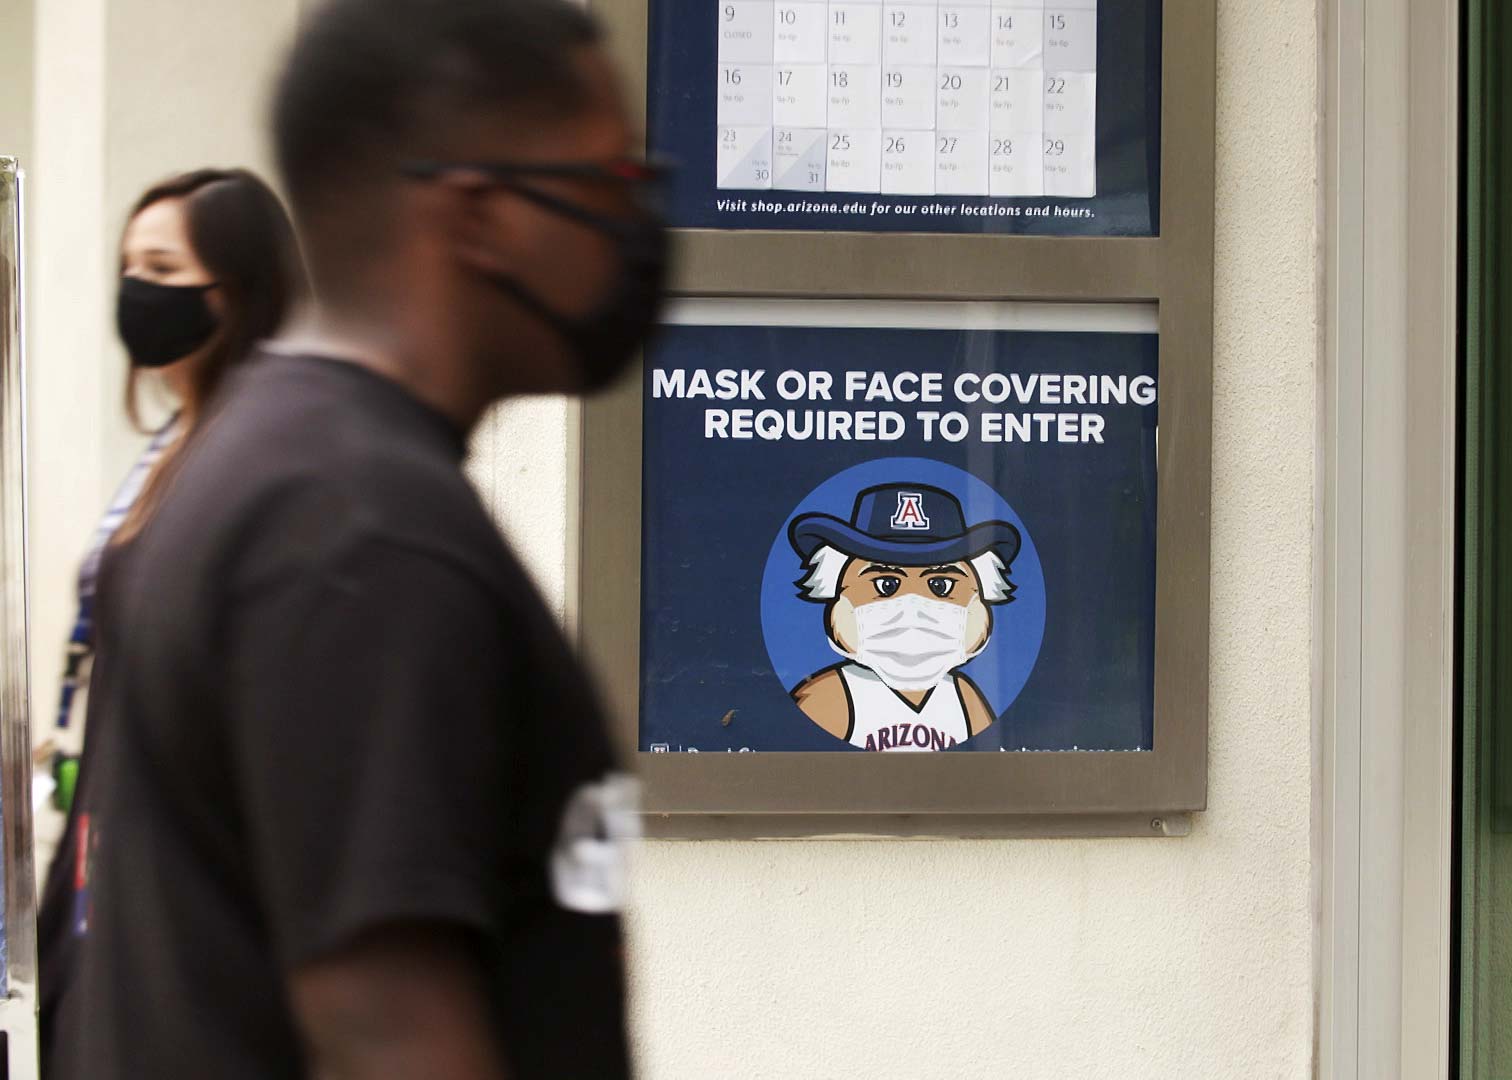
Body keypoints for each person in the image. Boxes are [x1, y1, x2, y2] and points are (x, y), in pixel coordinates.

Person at [39, 0, 667, 1077]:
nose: (641, 223)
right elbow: (386, 1030)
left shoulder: (284, 470)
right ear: (478, 217)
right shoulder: (364, 537)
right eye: (610, 183)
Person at [36, 167, 305, 1060]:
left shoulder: (264, 455)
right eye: (128, 265)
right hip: (109, 862)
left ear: (239, 289)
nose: (136, 291)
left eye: (162, 265)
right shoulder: (175, 442)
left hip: (190, 908)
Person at [788, 483, 1020, 750]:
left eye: (940, 586)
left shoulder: (966, 700)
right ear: (835, 594)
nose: (913, 605)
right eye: (886, 585)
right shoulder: (830, 699)